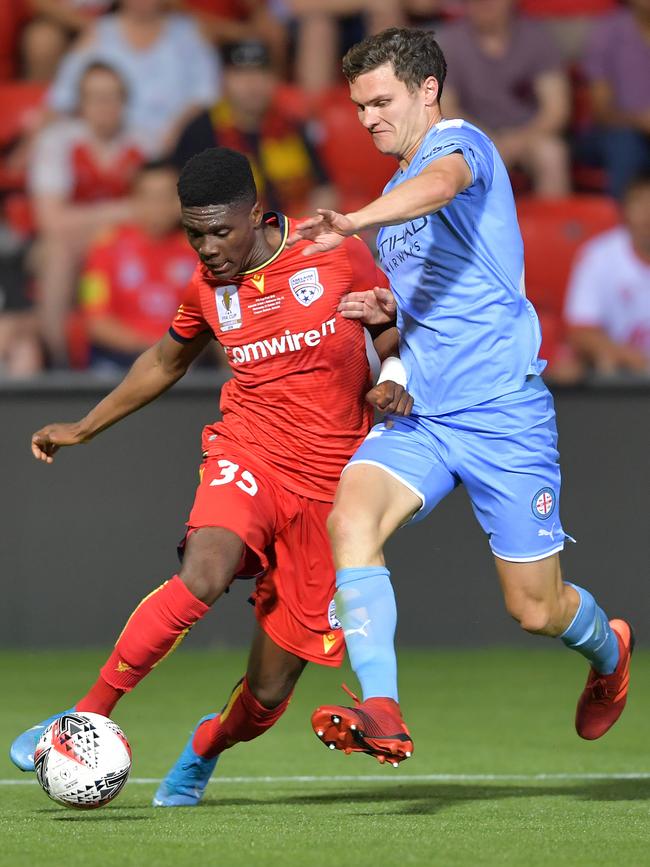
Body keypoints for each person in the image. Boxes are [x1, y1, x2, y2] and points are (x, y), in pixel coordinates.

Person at [10, 146, 413, 805]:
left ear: (256, 214)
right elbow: (165, 360)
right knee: (204, 569)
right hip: (248, 451)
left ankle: (208, 744)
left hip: (331, 490)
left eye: (220, 231)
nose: (207, 248)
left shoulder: (334, 255)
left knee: (269, 693)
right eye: (193, 233)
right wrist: (83, 427)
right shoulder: (206, 288)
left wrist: (393, 379)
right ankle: (83, 715)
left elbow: (395, 329)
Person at [288, 27, 634, 766]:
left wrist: (348, 222)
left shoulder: (461, 145)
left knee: (535, 608)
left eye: (381, 101)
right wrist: (389, 335)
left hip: (505, 416)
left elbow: (442, 183)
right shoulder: (392, 199)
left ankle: (610, 652)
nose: (369, 117)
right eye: (358, 106)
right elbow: (425, 314)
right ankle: (382, 707)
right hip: (427, 420)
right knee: (350, 517)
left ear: (427, 91)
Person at [28, 61, 147, 365]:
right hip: (72, 244)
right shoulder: (57, 142)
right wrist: (123, 211)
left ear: (125, 102)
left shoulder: (146, 142)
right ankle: (58, 360)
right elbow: (51, 221)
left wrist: (92, 220)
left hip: (128, 243)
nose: (105, 106)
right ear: (81, 103)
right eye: (96, 97)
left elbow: (154, 212)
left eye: (113, 97)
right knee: (57, 251)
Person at [172, 40, 338, 215]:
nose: (252, 84)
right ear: (223, 80)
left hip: (293, 231)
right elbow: (179, 198)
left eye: (261, 73)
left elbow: (324, 190)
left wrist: (301, 230)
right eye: (241, 74)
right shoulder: (201, 130)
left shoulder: (292, 126)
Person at [47, 0, 221, 152]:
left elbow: (207, 93)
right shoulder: (98, 33)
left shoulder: (189, 32)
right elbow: (62, 97)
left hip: (179, 147)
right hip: (109, 148)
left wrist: (176, 132)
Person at [438, 0, 571, 197]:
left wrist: (516, 141)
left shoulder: (537, 38)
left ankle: (552, 225)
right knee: (450, 161)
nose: (484, 5)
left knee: (552, 154)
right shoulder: (448, 42)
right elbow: (446, 109)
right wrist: (488, 142)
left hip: (528, 134)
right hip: (472, 137)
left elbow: (556, 109)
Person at [79, 161, 197, 372]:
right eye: (149, 197)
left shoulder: (198, 252)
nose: (158, 207)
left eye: (166, 197)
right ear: (134, 200)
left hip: (184, 363)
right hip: (118, 362)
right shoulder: (106, 247)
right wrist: (153, 348)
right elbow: (96, 323)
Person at [564, 173, 650, 376]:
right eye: (640, 203)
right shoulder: (599, 255)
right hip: (621, 380)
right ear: (625, 210)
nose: (648, 212)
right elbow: (580, 331)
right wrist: (631, 358)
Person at [580, 0, 650, 200]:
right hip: (609, 133)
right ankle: (625, 228)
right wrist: (640, 120)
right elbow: (601, 111)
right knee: (624, 143)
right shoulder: (608, 31)